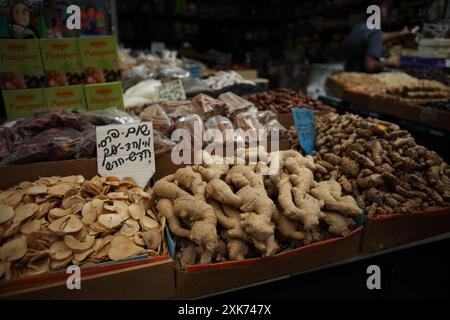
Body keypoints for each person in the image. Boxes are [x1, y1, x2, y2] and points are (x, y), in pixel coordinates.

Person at [344, 0, 410, 72]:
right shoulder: (375, 31)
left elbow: (377, 37)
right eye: (385, 8)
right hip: (363, 80)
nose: (387, 12)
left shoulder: (359, 27)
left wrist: (401, 33)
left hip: (349, 76)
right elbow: (370, 66)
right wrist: (387, 62)